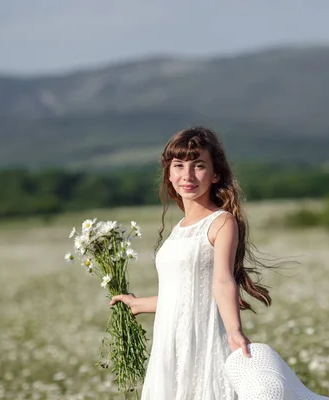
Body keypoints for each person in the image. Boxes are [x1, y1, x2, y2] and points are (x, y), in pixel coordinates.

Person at [110, 126, 272, 399]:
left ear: (215, 174)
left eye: (198, 166)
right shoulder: (178, 229)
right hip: (170, 343)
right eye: (179, 165)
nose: (187, 175)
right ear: (169, 173)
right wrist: (139, 304)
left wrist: (234, 331)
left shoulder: (221, 222)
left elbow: (222, 281)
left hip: (203, 339)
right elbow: (184, 293)